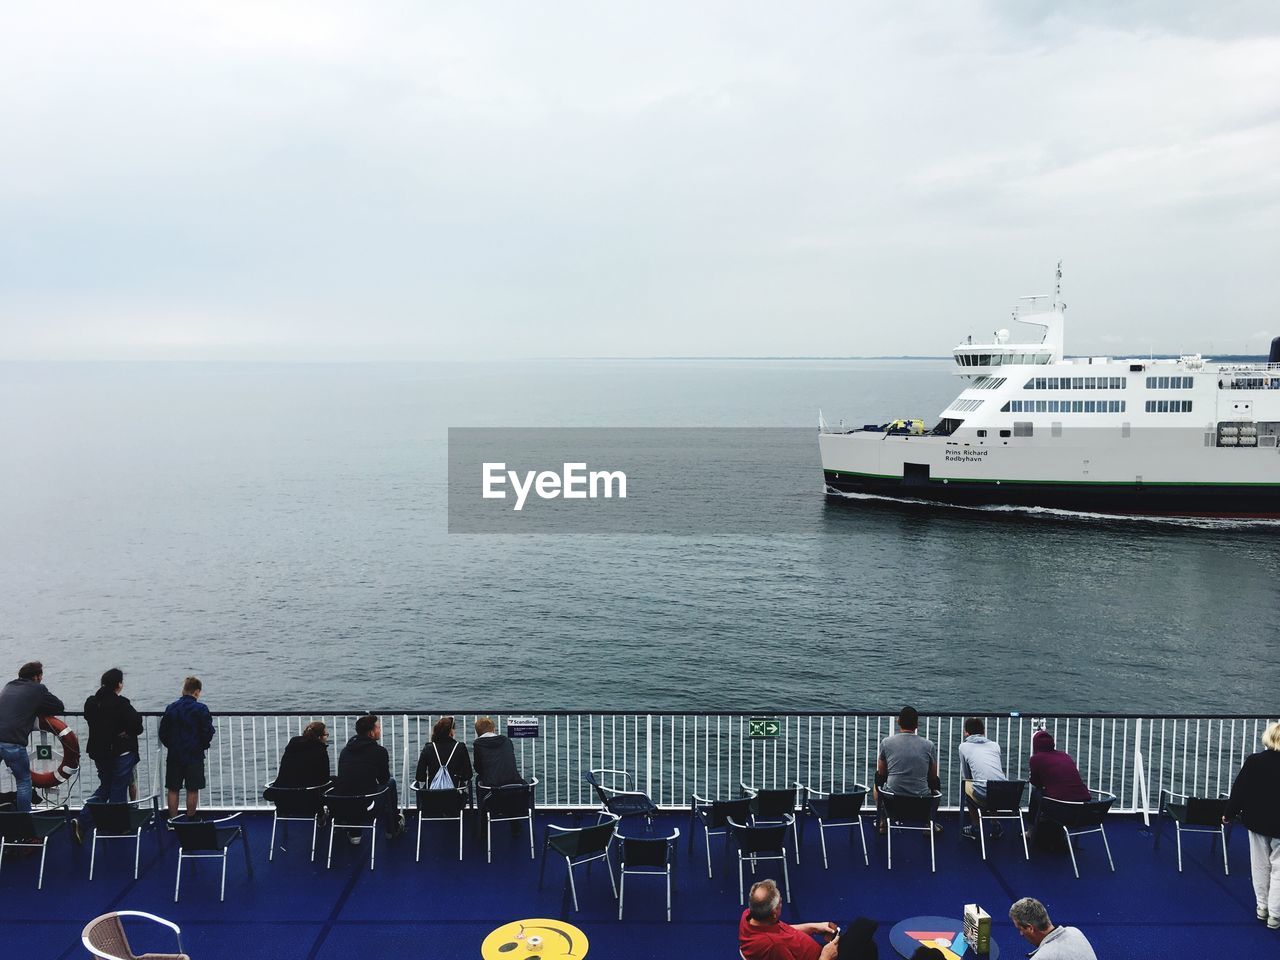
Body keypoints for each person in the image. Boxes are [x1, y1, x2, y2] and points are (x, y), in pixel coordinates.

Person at [1224, 720, 1280, 929]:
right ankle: (1275, 915)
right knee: (1279, 869)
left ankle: (1262, 907)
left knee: (1260, 864)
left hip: (1257, 821)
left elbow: (1240, 790)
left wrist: (1228, 813)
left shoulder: (1255, 761)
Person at [0, 661, 66, 813]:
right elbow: (58, 706)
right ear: (36, 677)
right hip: (13, 742)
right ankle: (24, 821)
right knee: (23, 782)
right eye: (41, 675)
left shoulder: (9, 686)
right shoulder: (38, 689)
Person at [82, 667, 144, 807]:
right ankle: (116, 820)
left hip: (99, 752)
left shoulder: (92, 703)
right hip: (119, 751)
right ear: (119, 684)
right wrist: (127, 732)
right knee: (118, 789)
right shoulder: (121, 703)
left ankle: (84, 816)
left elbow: (90, 718)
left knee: (106, 786)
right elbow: (137, 723)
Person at [335, 713, 403, 840]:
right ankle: (392, 828)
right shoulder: (379, 751)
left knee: (354, 789)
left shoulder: (345, 751)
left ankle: (355, 834)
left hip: (342, 805)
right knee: (390, 784)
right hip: (366, 807)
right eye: (378, 728)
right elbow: (383, 779)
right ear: (371, 733)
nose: (380, 730)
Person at [738, 879, 839, 960]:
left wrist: (813, 927)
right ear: (774, 913)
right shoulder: (775, 947)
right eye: (780, 902)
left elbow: (782, 930)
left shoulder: (750, 915)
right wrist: (826, 956)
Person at [875, 706, 940, 831]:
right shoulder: (929, 745)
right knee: (936, 782)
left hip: (892, 800)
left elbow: (881, 773)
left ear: (898, 721)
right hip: (920, 801)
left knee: (878, 778)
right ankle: (929, 823)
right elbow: (932, 776)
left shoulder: (886, 742)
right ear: (917, 725)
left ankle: (882, 821)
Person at [158, 676, 215, 820]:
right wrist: (202, 745)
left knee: (173, 788)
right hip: (194, 754)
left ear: (183, 690)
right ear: (197, 692)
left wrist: (172, 745)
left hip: (174, 754)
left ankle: (173, 820)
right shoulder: (201, 709)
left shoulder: (171, 708)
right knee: (192, 788)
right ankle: (191, 818)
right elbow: (208, 732)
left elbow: (163, 732)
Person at [1027, 729, 1090, 841]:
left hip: (1063, 810)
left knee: (1036, 793)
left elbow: (1036, 783)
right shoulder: (1065, 755)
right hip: (1083, 809)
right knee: (1055, 794)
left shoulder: (1036, 759)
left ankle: (1031, 831)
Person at [958, 716, 1007, 841]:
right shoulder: (995, 745)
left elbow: (967, 776)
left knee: (967, 787)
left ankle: (975, 827)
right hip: (1006, 793)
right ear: (983, 731)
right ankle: (995, 824)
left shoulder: (963, 747)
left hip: (984, 795)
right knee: (994, 785)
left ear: (966, 732)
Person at [1008, 897, 1097, 959]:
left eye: (1020, 929)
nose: (1021, 934)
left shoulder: (1041, 957)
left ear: (1030, 928)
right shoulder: (1075, 932)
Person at [415, 715, 474, 791]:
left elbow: (419, 776)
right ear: (451, 731)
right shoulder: (460, 747)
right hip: (455, 794)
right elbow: (468, 775)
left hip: (431, 794)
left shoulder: (428, 748)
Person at [271, 721, 333, 789]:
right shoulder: (320, 749)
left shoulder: (293, 743)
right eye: (326, 735)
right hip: (305, 791)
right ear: (319, 737)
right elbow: (324, 778)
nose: (327, 738)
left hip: (281, 789)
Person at [473, 716, 523, 788]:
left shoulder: (478, 744)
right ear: (493, 729)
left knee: (479, 778)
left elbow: (478, 768)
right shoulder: (506, 740)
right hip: (514, 784)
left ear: (478, 732)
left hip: (493, 787)